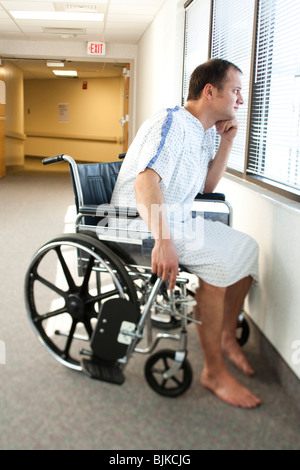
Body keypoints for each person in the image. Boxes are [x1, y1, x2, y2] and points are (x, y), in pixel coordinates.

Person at [110, 58, 261, 408]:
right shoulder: (173, 123)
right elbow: (145, 182)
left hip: (175, 217)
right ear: (210, 91)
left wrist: (226, 142)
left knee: (247, 248)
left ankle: (224, 335)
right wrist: (162, 241)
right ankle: (213, 372)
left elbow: (206, 185)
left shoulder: (204, 131)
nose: (241, 100)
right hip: (138, 220)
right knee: (220, 264)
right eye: (236, 91)